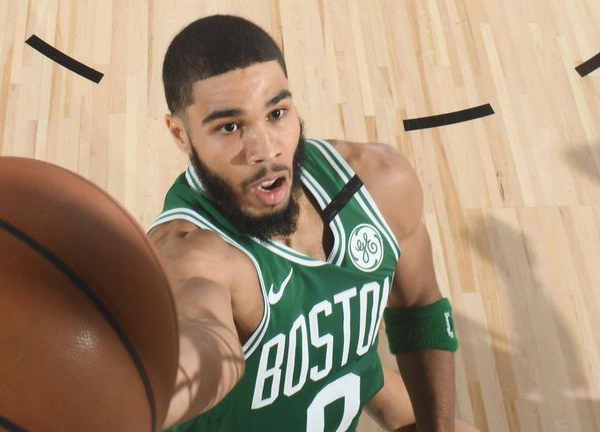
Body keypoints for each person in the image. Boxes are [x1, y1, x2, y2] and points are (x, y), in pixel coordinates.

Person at [147, 14, 475, 431]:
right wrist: (145, 395)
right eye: (230, 127)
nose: (265, 150)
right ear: (180, 135)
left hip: (335, 385)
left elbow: (418, 308)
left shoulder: (379, 183)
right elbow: (205, 344)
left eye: (277, 113)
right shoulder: (189, 252)